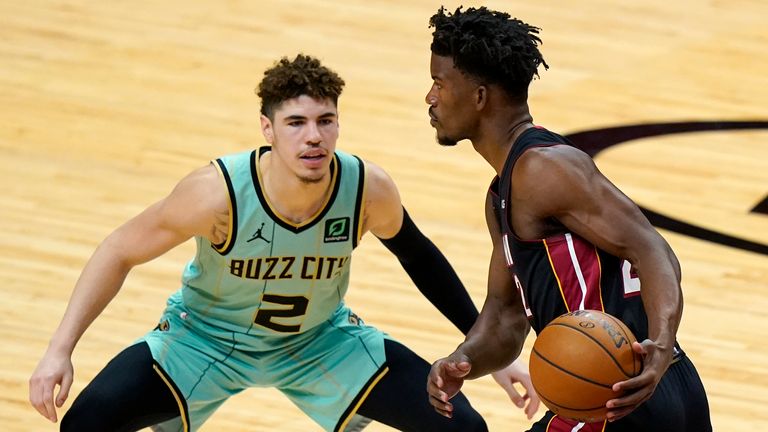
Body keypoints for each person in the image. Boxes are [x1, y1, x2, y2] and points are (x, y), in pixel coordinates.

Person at [28, 54, 537, 432]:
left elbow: (419, 256)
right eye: (296, 123)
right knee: (84, 424)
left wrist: (483, 350)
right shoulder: (216, 193)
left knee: (465, 428)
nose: (313, 137)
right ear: (268, 129)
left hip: (320, 341)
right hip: (205, 340)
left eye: (325, 121)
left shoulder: (365, 187)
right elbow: (118, 250)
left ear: (338, 125)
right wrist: (59, 350)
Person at [423, 6, 711, 432]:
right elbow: (506, 316)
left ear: (480, 97)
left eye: (439, 83)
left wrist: (662, 346)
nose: (430, 97)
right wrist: (462, 360)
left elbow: (655, 252)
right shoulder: (503, 191)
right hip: (649, 390)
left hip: (616, 397)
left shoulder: (540, 170)